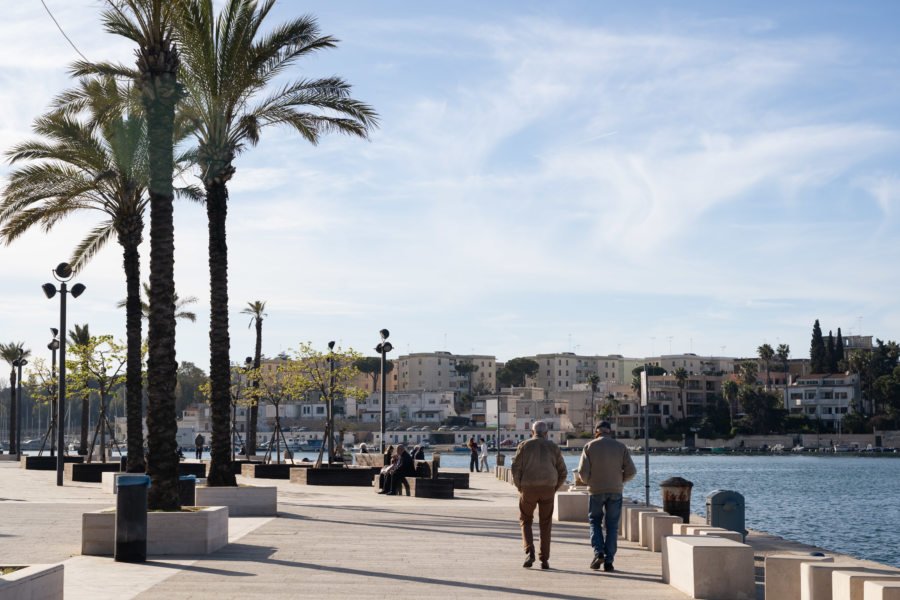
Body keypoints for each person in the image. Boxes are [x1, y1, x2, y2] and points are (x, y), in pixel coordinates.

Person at [575, 421, 636, 573]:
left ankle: (598, 553)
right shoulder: (621, 447)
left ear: (596, 432)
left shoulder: (589, 446)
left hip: (595, 490)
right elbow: (632, 471)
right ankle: (609, 561)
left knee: (595, 521)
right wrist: (619, 480)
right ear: (610, 431)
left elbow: (582, 473)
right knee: (612, 526)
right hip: (615, 491)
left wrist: (590, 481)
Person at [511, 421, 567, 570]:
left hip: (528, 488)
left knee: (525, 519)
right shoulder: (554, 448)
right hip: (548, 488)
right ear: (546, 433)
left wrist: (519, 486)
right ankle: (544, 560)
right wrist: (554, 487)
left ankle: (529, 551)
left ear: (532, 432)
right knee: (545, 524)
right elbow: (563, 472)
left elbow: (515, 468)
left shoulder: (524, 446)